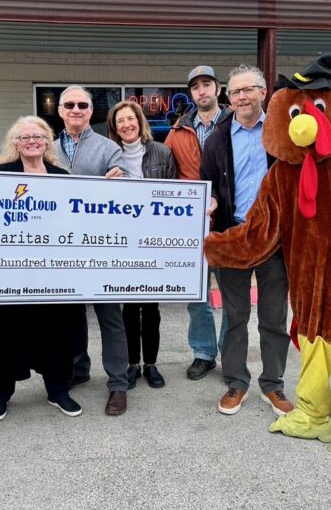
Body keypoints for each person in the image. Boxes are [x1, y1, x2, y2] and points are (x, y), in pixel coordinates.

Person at [200, 64, 292, 416]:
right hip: (234, 236)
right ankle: (236, 382)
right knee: (235, 317)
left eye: (248, 90)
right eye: (235, 92)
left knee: (273, 317)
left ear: (263, 92)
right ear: (229, 97)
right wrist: (211, 203)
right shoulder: (217, 138)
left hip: (275, 239)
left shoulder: (282, 132)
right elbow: (209, 184)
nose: (241, 97)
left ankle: (274, 386)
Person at [0, 116, 85, 420]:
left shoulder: (62, 177)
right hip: (9, 272)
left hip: (53, 272)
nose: (31, 141)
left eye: (38, 136)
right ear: (15, 143)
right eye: (24, 137)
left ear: (47, 141)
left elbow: (77, 221)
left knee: (56, 331)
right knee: (5, 332)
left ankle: (58, 390)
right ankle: (0, 394)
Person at [53, 85, 130, 416]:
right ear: (59, 110)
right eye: (69, 104)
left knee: (110, 316)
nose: (76, 109)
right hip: (61, 247)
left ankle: (118, 384)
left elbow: (124, 183)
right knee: (70, 316)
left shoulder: (108, 148)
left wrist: (120, 181)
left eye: (82, 105)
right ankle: (77, 369)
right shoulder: (47, 148)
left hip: (101, 247)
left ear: (90, 111)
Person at [165, 66, 231, 381]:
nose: (201, 91)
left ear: (217, 88)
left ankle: (231, 354)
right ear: (191, 94)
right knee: (196, 296)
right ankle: (204, 353)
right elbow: (163, 174)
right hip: (192, 227)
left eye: (207, 84)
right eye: (195, 87)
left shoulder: (236, 124)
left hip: (230, 224)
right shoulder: (178, 132)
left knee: (234, 296)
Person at [107, 100, 176, 389]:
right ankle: (131, 364)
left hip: (154, 242)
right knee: (129, 306)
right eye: (120, 121)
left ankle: (151, 364)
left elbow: (175, 194)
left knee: (151, 307)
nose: (126, 124)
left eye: (130, 119)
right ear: (115, 128)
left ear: (139, 121)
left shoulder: (162, 152)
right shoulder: (111, 157)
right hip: (123, 243)